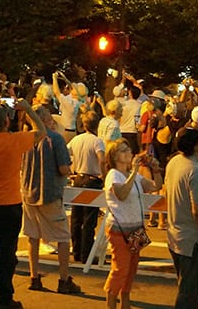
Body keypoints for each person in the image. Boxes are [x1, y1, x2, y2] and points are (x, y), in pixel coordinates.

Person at [0, 97, 46, 308]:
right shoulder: (15, 141)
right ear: (7, 122)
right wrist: (28, 109)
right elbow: (41, 131)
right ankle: (3, 297)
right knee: (6, 255)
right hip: (10, 205)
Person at [22, 105, 81, 295]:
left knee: (33, 236)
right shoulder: (55, 139)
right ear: (47, 120)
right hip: (49, 193)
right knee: (63, 237)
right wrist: (71, 172)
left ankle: (34, 277)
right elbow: (63, 168)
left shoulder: (24, 138)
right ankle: (64, 279)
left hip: (28, 192)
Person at [166, 126, 198, 309]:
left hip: (175, 235)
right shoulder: (195, 172)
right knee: (189, 292)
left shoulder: (174, 162)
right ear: (196, 145)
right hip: (193, 241)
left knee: (185, 286)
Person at [103, 139, 160, 309]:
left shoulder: (132, 176)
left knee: (131, 269)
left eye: (128, 148)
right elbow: (121, 194)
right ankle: (111, 302)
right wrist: (134, 170)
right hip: (119, 229)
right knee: (120, 269)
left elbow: (156, 186)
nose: (128, 152)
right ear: (114, 157)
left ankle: (125, 303)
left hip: (135, 229)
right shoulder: (114, 175)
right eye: (122, 150)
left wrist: (155, 169)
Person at [68, 111, 106, 264]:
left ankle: (76, 250)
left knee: (76, 218)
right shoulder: (97, 142)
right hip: (92, 179)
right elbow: (101, 159)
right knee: (89, 220)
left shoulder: (76, 140)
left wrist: (71, 169)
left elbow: (66, 152)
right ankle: (87, 253)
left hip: (78, 178)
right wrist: (104, 175)